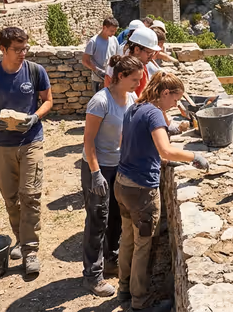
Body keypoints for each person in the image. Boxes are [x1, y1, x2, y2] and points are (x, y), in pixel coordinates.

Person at [115, 72, 208, 311]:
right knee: (144, 244)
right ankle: (140, 301)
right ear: (165, 93)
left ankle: (124, 288)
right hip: (141, 190)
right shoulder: (154, 113)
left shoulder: (135, 107)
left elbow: (128, 142)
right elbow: (166, 149)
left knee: (128, 238)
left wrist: (157, 158)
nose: (176, 105)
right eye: (175, 99)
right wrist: (194, 156)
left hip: (122, 183)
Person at [0, 27, 53, 277]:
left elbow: (48, 101)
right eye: (17, 49)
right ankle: (20, 238)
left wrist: (35, 117)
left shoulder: (35, 71)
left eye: (24, 48)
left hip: (31, 141)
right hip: (1, 145)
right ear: (2, 49)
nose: (22, 53)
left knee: (30, 195)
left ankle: (30, 251)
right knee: (10, 197)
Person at [81, 55, 144, 297]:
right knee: (98, 219)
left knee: (116, 215)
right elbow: (88, 141)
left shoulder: (131, 98)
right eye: (134, 79)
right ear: (120, 76)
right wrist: (96, 173)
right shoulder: (101, 102)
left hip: (120, 165)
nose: (138, 84)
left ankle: (110, 259)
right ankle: (92, 275)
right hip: (99, 167)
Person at [104, 27, 159, 95]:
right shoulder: (117, 68)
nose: (151, 58)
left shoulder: (143, 66)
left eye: (153, 53)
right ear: (137, 50)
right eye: (149, 53)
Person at [83, 17, 120, 93]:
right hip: (98, 80)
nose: (113, 33)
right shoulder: (93, 41)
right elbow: (85, 60)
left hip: (112, 78)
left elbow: (117, 57)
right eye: (111, 31)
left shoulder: (114, 39)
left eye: (115, 31)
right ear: (104, 28)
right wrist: (99, 71)